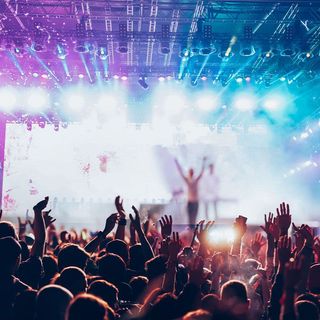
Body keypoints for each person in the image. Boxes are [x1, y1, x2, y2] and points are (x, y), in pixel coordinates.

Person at [174, 157, 206, 227]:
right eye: (190, 171)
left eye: (192, 171)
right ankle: (190, 233)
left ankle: (193, 233)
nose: (191, 173)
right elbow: (180, 172)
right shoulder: (187, 180)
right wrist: (177, 163)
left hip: (195, 202)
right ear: (189, 173)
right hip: (190, 202)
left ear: (193, 172)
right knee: (190, 220)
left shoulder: (195, 180)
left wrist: (204, 162)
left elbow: (201, 173)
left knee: (194, 219)